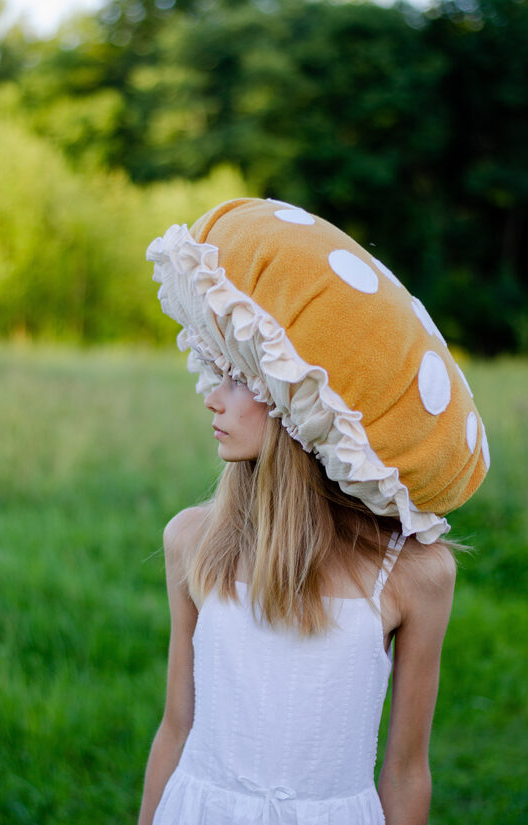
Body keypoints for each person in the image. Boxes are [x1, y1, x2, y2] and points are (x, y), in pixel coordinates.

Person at [139, 198, 489, 825]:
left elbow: (406, 771)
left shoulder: (414, 574)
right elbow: (177, 725)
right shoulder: (193, 540)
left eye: (239, 380)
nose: (212, 399)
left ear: (301, 407)